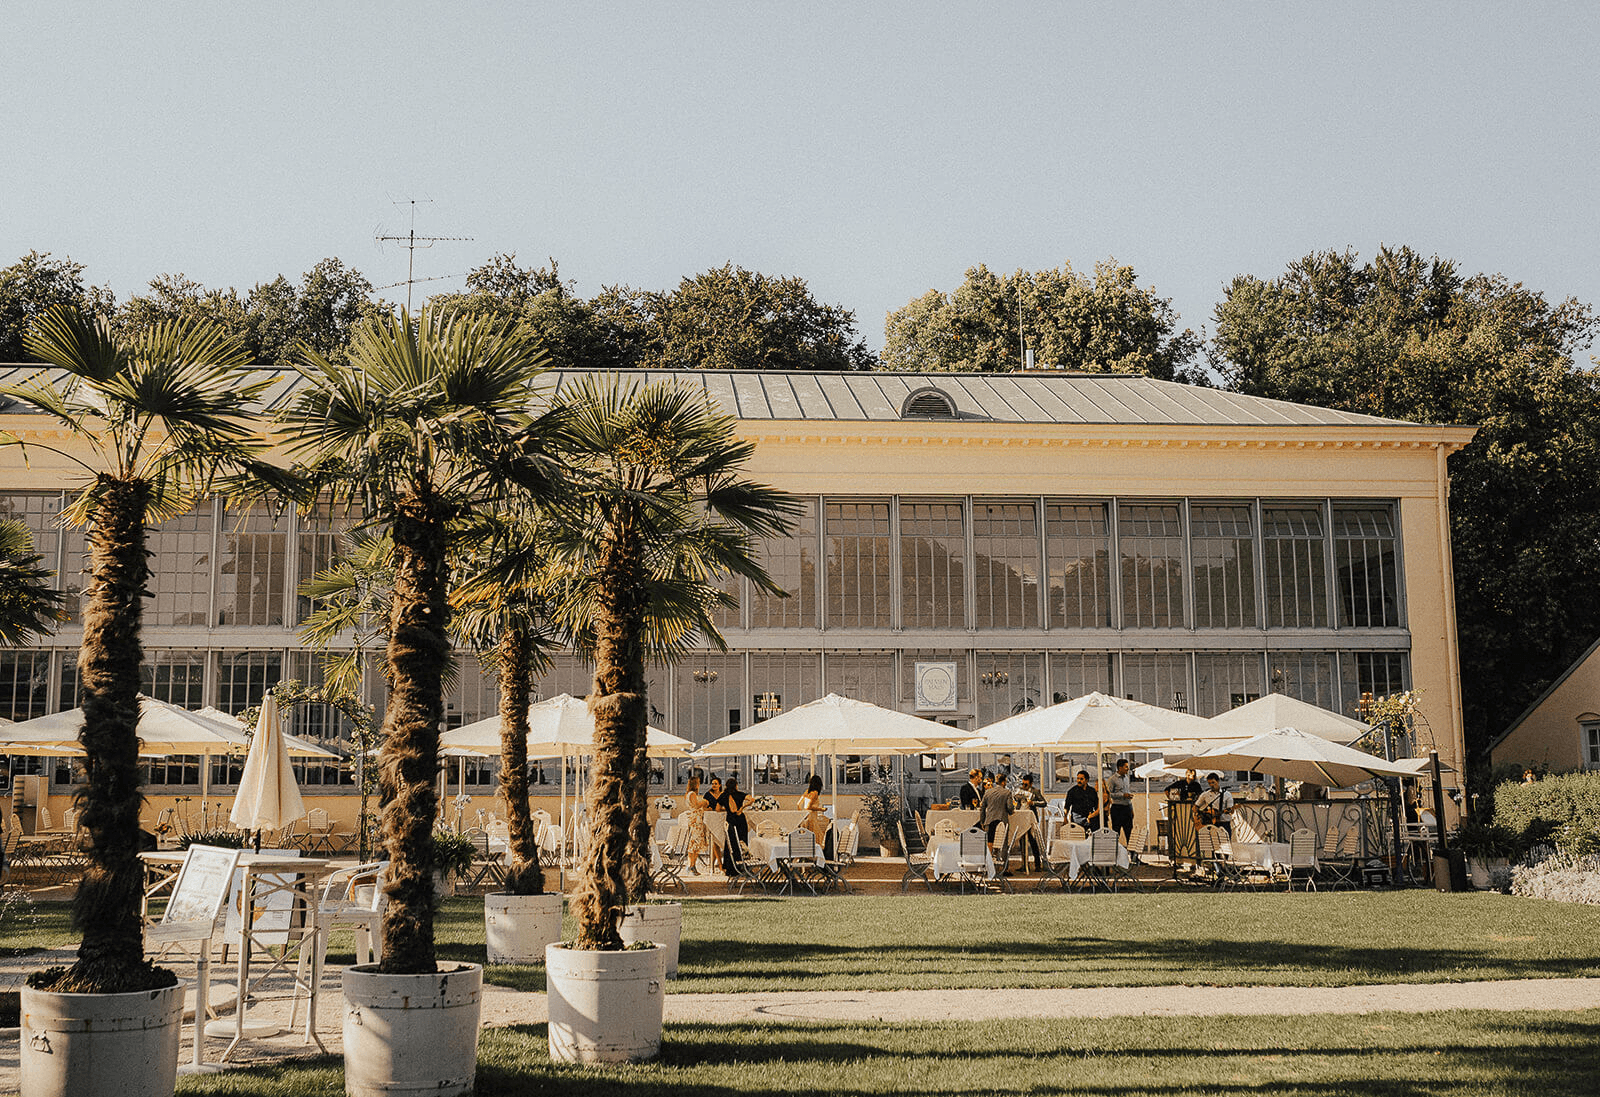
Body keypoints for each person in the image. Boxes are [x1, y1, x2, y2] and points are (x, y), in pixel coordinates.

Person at [1012, 775, 1047, 869]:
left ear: (1031, 784)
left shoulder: (1035, 791)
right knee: (1022, 841)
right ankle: (1024, 864)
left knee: (1033, 841)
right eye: (1023, 784)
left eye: (1026, 785)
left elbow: (1044, 803)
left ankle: (1037, 864)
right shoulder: (1019, 790)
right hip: (1021, 817)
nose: (1024, 786)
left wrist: (1033, 803)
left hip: (1031, 818)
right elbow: (1015, 800)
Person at [979, 772, 1014, 866]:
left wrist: (982, 821)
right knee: (1003, 844)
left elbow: (982, 808)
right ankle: (1004, 867)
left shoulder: (988, 792)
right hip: (1002, 821)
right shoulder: (1007, 792)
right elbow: (1010, 807)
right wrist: (1011, 812)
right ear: (1003, 782)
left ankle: (987, 865)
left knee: (988, 844)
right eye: (1005, 782)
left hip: (989, 821)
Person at [720, 774, 749, 877]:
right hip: (740, 820)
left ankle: (730, 867)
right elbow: (752, 799)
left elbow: (718, 808)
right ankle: (742, 866)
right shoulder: (740, 794)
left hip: (730, 820)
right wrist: (742, 807)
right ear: (736, 785)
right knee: (742, 842)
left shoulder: (723, 795)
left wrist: (726, 808)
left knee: (730, 843)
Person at [682, 774, 710, 874]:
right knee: (695, 843)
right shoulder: (692, 794)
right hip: (696, 820)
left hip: (693, 819)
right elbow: (696, 805)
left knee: (694, 843)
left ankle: (691, 865)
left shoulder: (687, 794)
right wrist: (704, 802)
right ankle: (692, 865)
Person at [1104, 758, 1135, 843]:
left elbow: (1127, 791)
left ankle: (1133, 855)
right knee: (1116, 832)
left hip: (1127, 808)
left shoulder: (1126, 778)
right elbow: (1109, 794)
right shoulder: (1112, 779)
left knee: (1129, 833)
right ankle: (1116, 854)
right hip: (1117, 808)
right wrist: (1122, 795)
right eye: (1126, 767)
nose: (1128, 769)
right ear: (1119, 767)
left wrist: (1131, 808)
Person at [797, 774, 830, 847]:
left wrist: (801, 814)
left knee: (807, 837)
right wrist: (821, 809)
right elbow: (808, 806)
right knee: (816, 838)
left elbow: (798, 804)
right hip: (812, 817)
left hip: (806, 816)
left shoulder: (807, 791)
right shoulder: (815, 793)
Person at [704, 775, 726, 868]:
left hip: (722, 819)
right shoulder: (707, 794)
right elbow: (704, 807)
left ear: (720, 785)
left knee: (718, 840)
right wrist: (708, 809)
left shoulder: (724, 794)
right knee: (714, 841)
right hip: (711, 820)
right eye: (712, 784)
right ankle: (720, 864)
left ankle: (712, 864)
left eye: (716, 784)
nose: (714, 785)